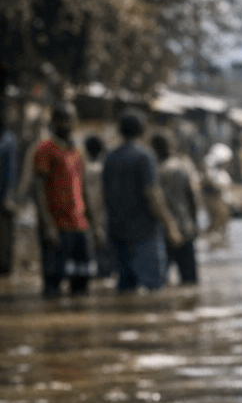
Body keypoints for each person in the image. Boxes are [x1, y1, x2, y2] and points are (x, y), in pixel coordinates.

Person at [102, 113, 182, 292]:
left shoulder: (110, 157)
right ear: (142, 130)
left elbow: (104, 194)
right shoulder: (144, 156)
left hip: (117, 230)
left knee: (125, 287)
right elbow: (153, 193)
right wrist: (169, 223)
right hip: (144, 232)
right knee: (153, 287)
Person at [31, 105, 95, 296]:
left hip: (79, 226)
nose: (68, 124)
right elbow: (38, 190)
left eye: (71, 119)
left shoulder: (77, 152)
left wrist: (94, 223)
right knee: (53, 284)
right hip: (57, 226)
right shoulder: (45, 150)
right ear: (54, 122)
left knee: (81, 284)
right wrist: (47, 224)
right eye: (63, 119)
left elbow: (84, 188)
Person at [151, 133, 201, 285]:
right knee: (189, 279)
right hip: (184, 225)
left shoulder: (154, 169)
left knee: (161, 279)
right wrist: (194, 222)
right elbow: (193, 197)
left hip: (163, 227)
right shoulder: (182, 166)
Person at [82, 134, 112, 280]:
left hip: (96, 215)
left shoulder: (91, 169)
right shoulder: (103, 168)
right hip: (104, 215)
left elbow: (92, 197)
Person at [0, 109, 17, 277]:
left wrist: (9, 197)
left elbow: (11, 170)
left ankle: (5, 268)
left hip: (3, 197)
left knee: (4, 235)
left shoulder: (9, 140)